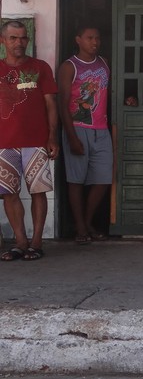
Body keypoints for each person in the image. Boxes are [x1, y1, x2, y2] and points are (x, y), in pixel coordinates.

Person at [0, 20, 59, 261]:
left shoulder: (40, 67)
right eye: (13, 38)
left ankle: (36, 242)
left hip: (36, 141)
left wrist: (52, 137)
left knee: (38, 191)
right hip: (4, 142)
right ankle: (20, 241)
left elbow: (51, 105)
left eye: (23, 38)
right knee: (9, 193)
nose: (19, 42)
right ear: (3, 41)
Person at [57, 25, 112, 244]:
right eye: (90, 38)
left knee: (103, 179)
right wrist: (71, 137)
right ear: (78, 39)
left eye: (97, 38)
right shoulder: (69, 67)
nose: (95, 42)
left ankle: (87, 222)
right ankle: (80, 227)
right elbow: (62, 104)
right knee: (76, 181)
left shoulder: (104, 63)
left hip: (101, 129)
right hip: (78, 129)